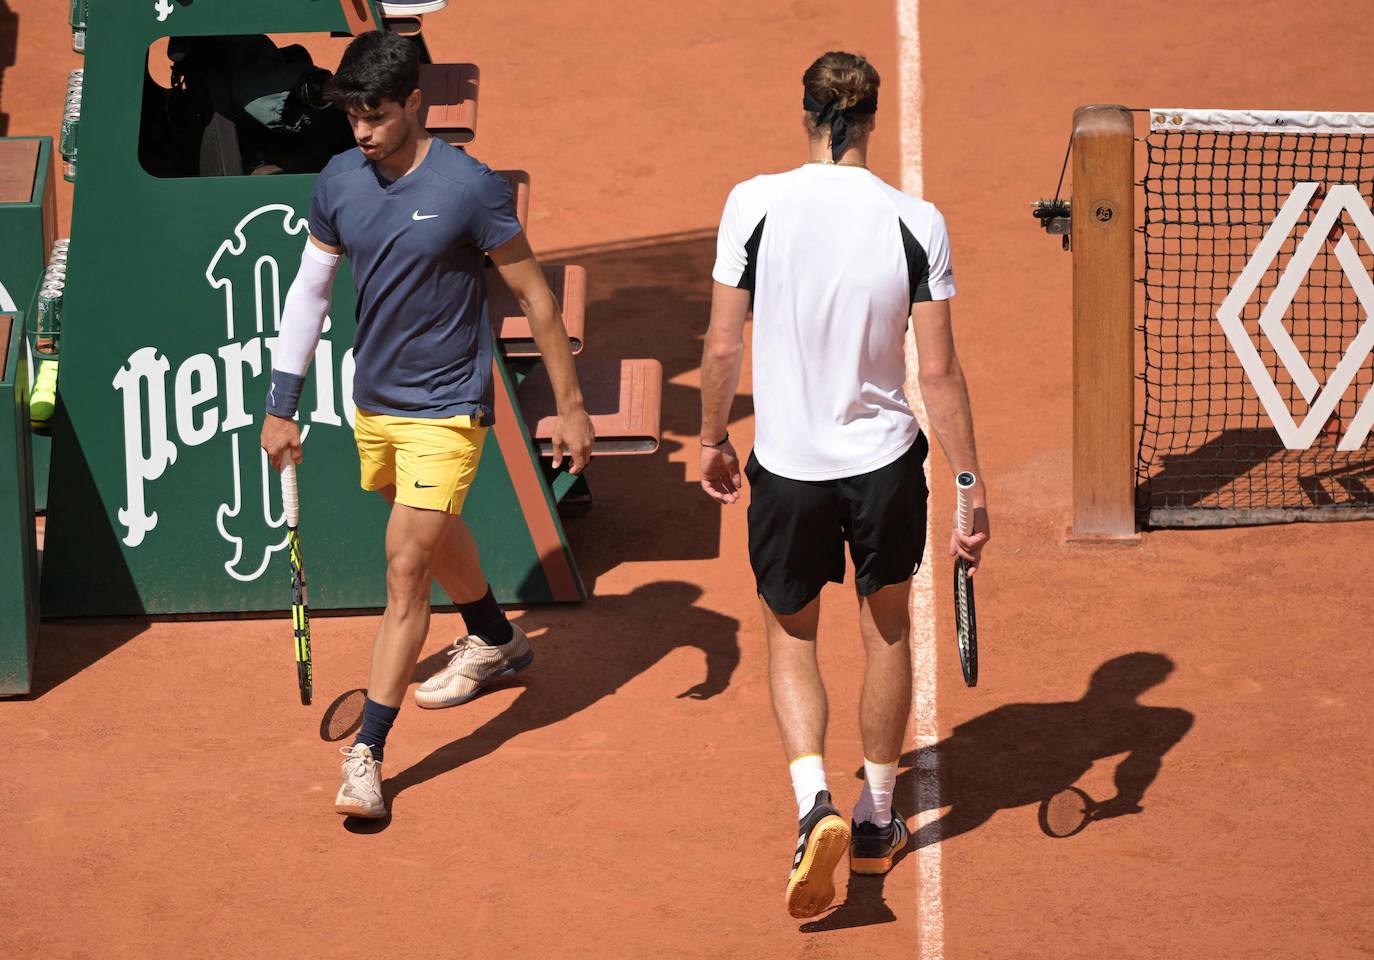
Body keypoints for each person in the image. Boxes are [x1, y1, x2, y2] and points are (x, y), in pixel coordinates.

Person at [260, 31, 594, 820]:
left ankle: (367, 756)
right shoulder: (340, 178)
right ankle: (495, 637)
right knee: (434, 538)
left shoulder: (470, 188)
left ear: (415, 103)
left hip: (449, 408)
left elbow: (537, 300)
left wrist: (571, 403)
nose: (363, 133)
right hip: (374, 402)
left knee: (405, 566)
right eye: (352, 119)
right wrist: (281, 401)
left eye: (376, 116)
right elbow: (310, 293)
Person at [698, 51, 990, 919]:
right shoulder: (916, 220)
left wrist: (712, 438)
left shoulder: (752, 203)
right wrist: (970, 484)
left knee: (791, 636)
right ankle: (874, 819)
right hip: (885, 466)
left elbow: (720, 348)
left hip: (788, 470)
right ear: (869, 120)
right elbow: (936, 373)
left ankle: (810, 806)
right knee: (887, 631)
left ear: (806, 115)